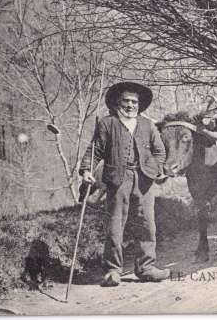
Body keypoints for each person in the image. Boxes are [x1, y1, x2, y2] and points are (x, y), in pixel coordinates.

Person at [80, 81, 171, 286]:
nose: (130, 105)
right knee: (115, 225)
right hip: (117, 179)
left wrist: (154, 169)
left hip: (144, 180)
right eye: (126, 101)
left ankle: (146, 268)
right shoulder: (107, 123)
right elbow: (94, 151)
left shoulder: (148, 125)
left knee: (147, 224)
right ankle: (112, 271)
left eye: (134, 102)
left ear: (139, 105)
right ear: (116, 103)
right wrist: (86, 170)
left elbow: (160, 151)